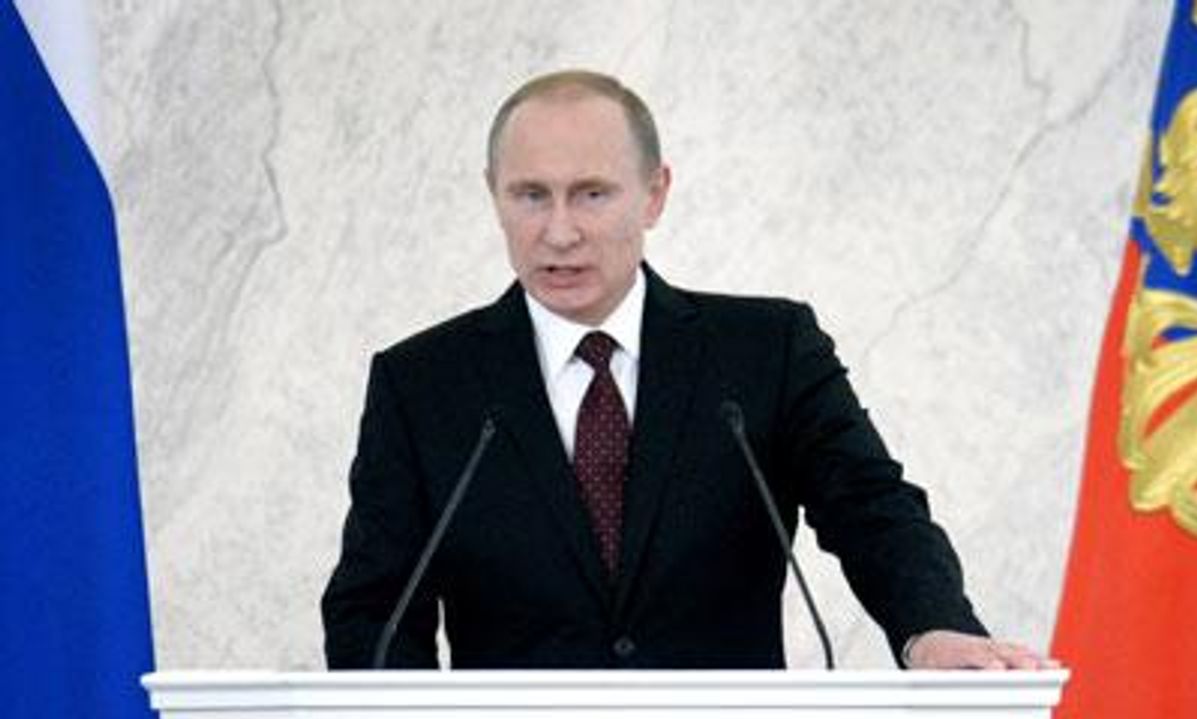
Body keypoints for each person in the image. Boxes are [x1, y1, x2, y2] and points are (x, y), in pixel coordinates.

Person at [321, 69, 1051, 671]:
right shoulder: (423, 384)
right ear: (494, 195)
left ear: (655, 193)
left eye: (592, 193)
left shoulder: (768, 351)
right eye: (531, 195)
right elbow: (373, 611)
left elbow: (870, 508)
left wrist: (930, 628)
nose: (560, 231)